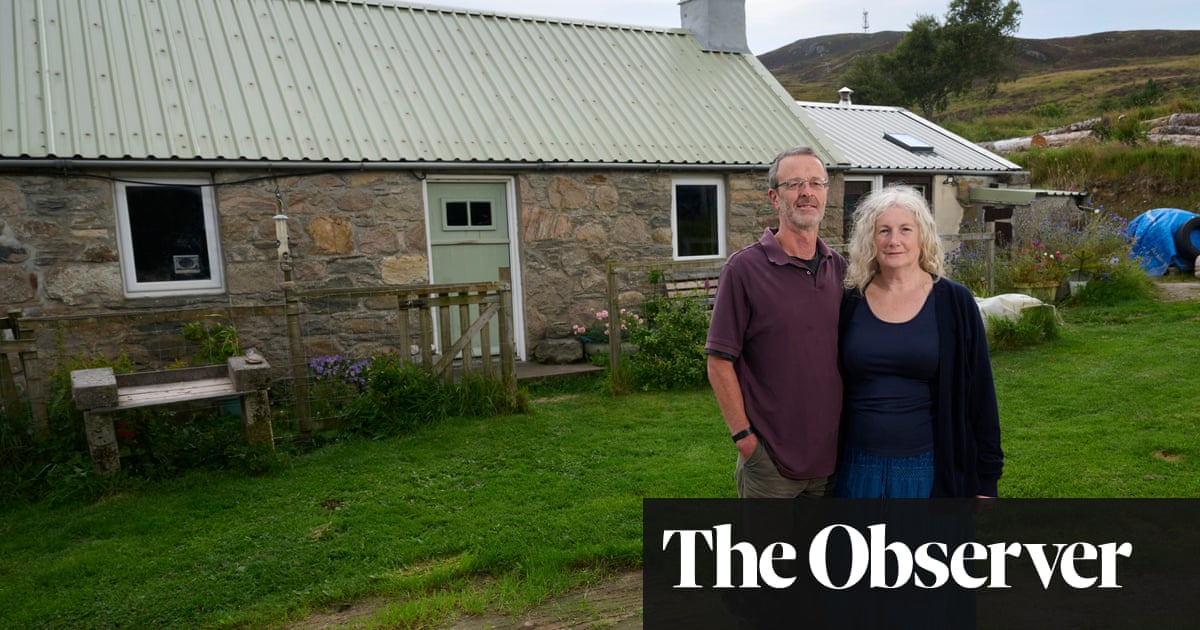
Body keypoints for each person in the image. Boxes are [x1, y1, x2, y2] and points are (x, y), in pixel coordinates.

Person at [835, 185, 1003, 498]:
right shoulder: (850, 301)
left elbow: (980, 391)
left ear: (921, 236)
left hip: (928, 470)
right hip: (856, 469)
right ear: (870, 239)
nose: (893, 240)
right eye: (883, 230)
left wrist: (986, 476)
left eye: (904, 229)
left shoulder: (954, 302)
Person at [705, 146, 847, 498]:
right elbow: (720, 362)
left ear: (826, 192)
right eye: (794, 183)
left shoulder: (840, 269)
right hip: (770, 468)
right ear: (774, 196)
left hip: (834, 462)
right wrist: (744, 440)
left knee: (824, 555)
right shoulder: (744, 270)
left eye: (816, 182)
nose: (806, 193)